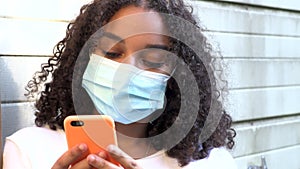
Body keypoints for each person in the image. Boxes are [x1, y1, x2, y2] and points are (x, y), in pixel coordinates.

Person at [3, 0, 237, 168]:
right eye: (113, 53)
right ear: (84, 60)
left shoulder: (211, 163)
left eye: (151, 59)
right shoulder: (29, 150)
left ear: (176, 75)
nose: (129, 69)